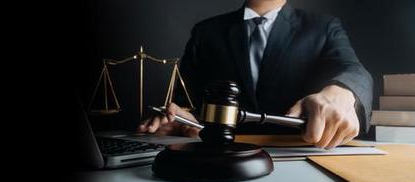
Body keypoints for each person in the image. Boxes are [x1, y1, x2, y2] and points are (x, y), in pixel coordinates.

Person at [137, 0, 373, 149]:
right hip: (220, 156)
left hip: (296, 154)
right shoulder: (206, 32)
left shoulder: (323, 27)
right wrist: (179, 119)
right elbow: (185, 102)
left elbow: (353, 69)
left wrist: (341, 93)